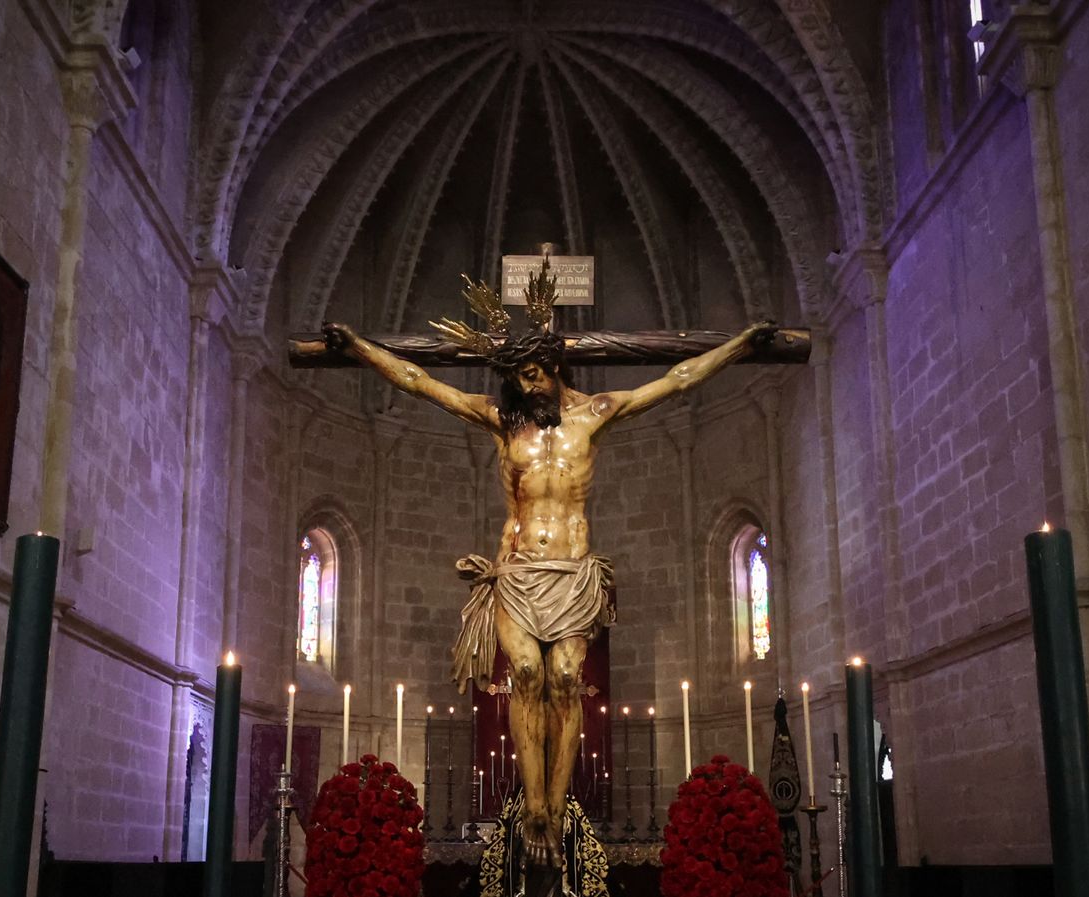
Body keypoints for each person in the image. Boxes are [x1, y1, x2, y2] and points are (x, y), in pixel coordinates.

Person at [323, 263, 774, 869]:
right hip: (516, 572)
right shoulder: (500, 420)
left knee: (565, 680)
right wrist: (356, 347)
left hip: (574, 573)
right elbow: (417, 381)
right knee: (527, 678)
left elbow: (680, 378)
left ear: (554, 366)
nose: (525, 386)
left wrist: (742, 344)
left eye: (532, 374)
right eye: (516, 377)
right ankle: (534, 805)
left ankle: (556, 807)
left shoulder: (596, 413)